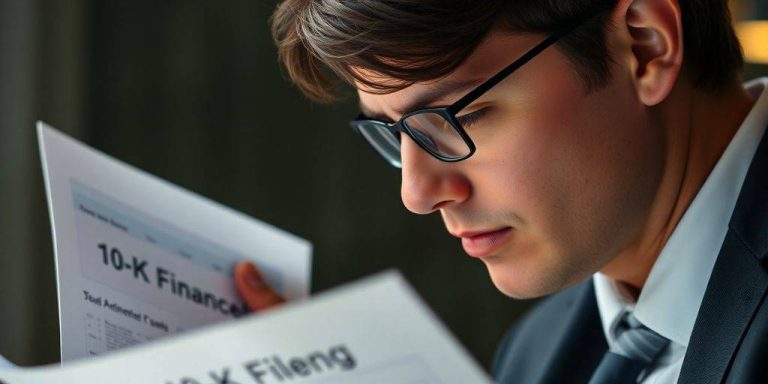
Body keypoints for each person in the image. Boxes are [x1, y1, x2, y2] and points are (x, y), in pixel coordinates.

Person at [234, 0, 768, 382]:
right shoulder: (534, 355)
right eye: (394, 132)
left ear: (645, 46)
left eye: (462, 116)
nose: (417, 193)